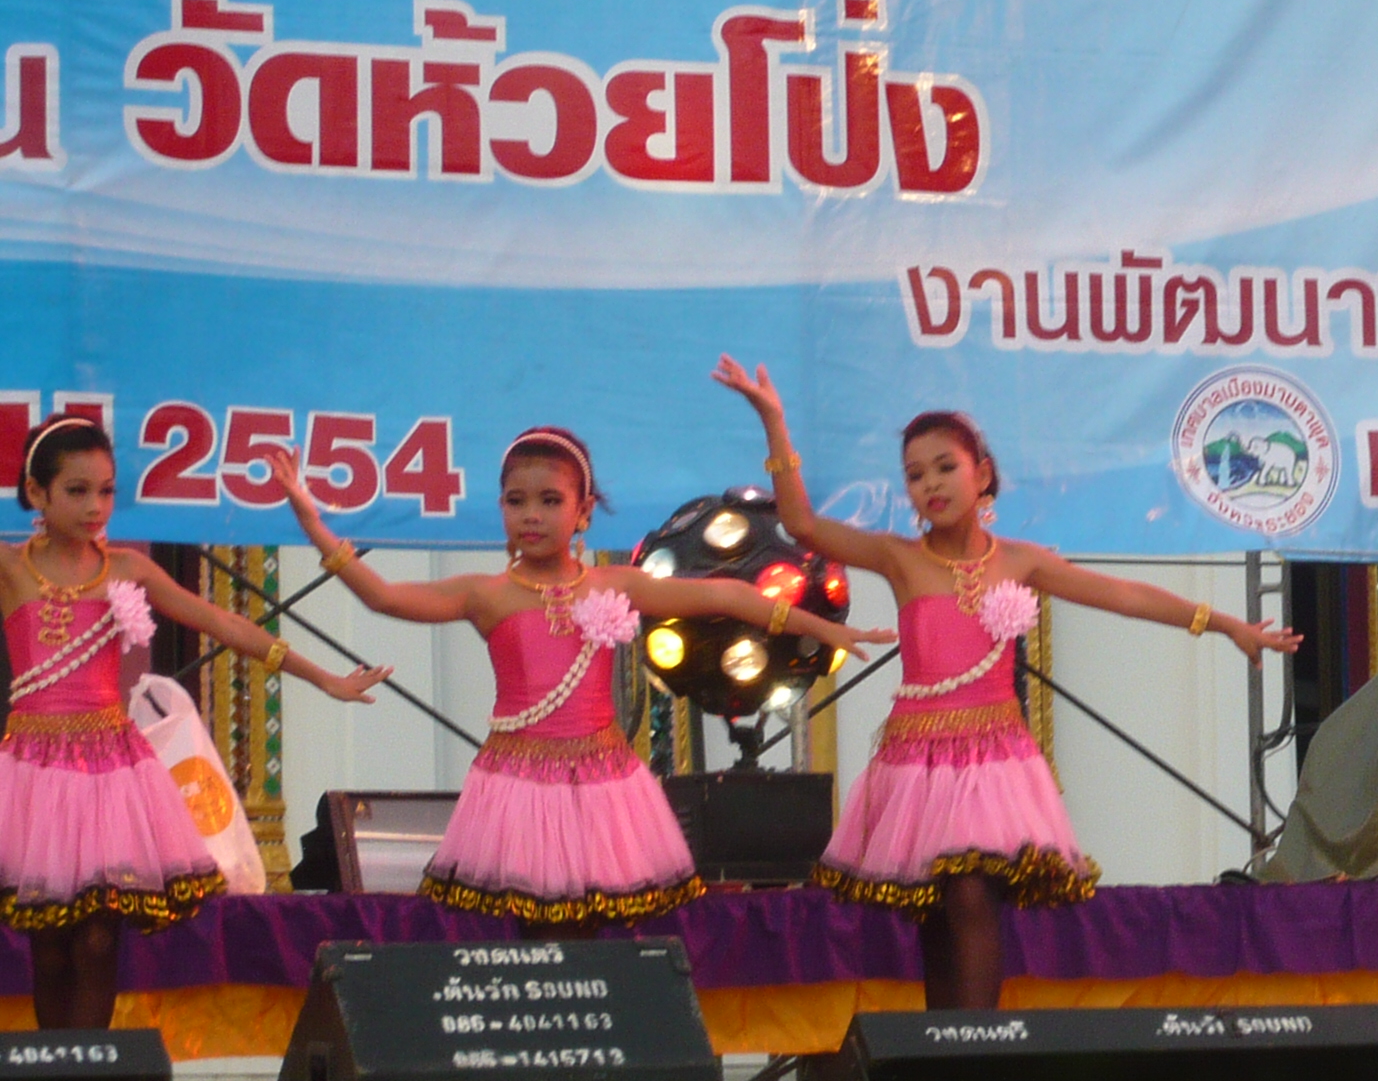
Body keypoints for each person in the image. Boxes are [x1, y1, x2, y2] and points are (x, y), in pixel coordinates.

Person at [714, 357, 1302, 1009]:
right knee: (936, 912)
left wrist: (1224, 624)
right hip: (918, 763)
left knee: (971, 894)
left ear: (982, 473)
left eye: (945, 467)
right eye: (915, 475)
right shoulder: (899, 558)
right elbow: (802, 526)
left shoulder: (1021, 561)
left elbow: (1122, 595)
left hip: (993, 761)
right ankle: (944, 1051)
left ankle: (976, 1049)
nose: (931, 484)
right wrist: (774, 421)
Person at [263, 425, 882, 933]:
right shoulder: (487, 594)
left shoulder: (615, 585)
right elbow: (383, 596)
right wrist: (312, 521)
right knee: (522, 935)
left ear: (583, 511)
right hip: (515, 791)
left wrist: (822, 628)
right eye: (516, 502)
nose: (531, 516)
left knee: (599, 937)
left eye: (550, 501)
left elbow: (724, 593)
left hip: (603, 792)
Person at [1, 415, 390, 1027]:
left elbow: (225, 624)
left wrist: (325, 678)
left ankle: (89, 1072)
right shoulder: (11, 569)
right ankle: (55, 1076)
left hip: (107, 775)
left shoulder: (127, 569)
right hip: (34, 775)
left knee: (98, 940)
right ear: (36, 492)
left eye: (106, 491)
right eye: (77, 491)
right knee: (48, 949)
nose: (96, 506)